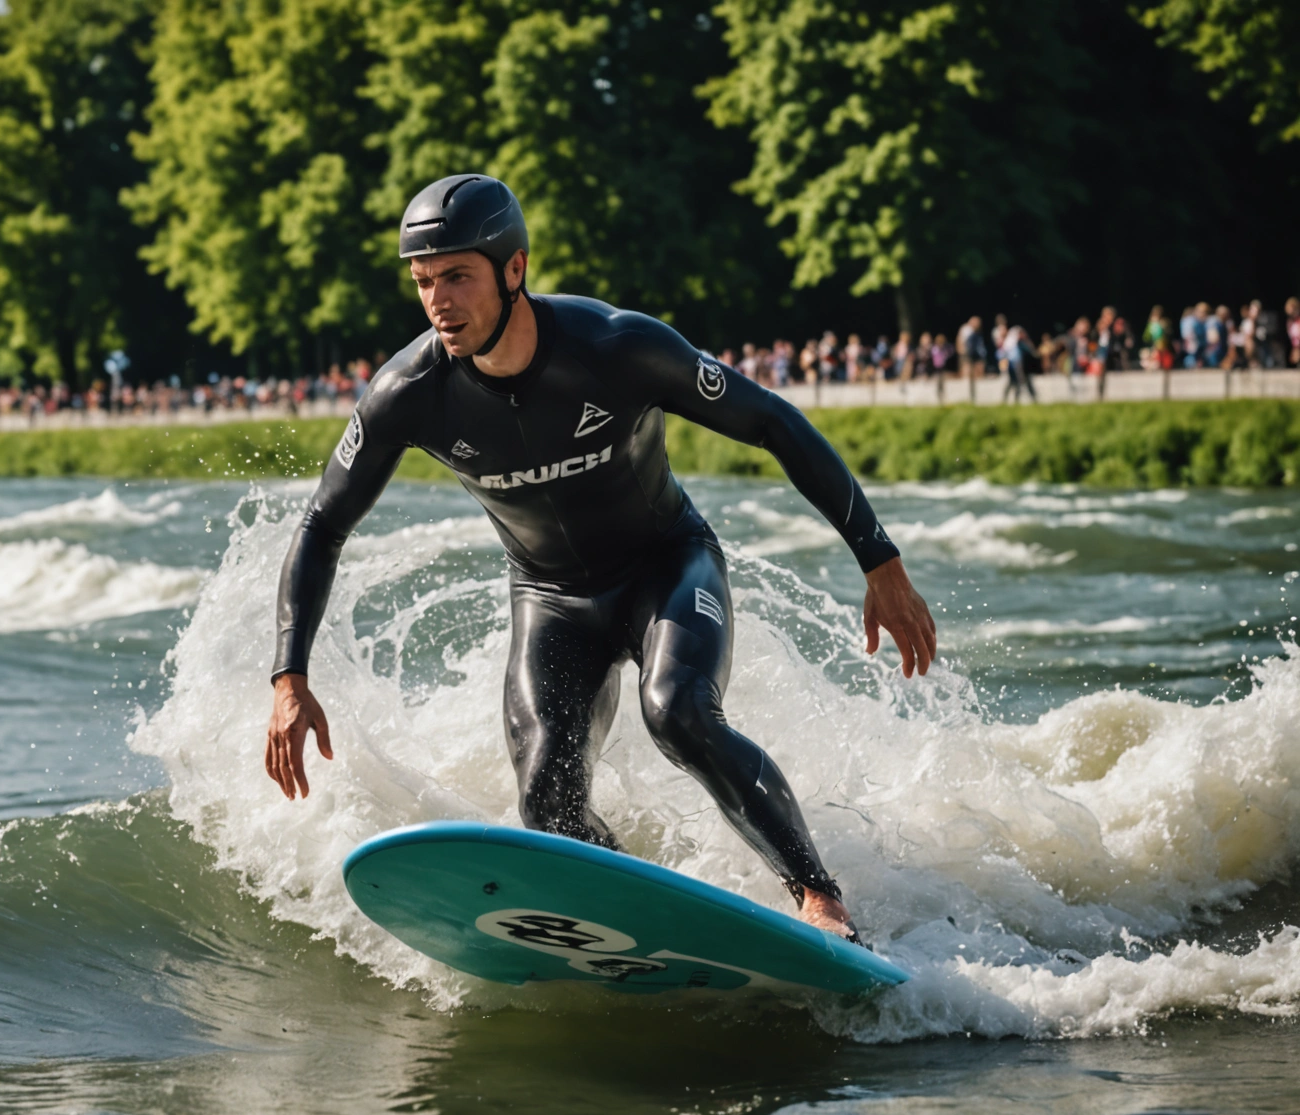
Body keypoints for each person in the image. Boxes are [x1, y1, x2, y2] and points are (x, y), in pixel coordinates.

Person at [264, 175, 937, 943]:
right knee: (545, 796)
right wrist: (290, 679)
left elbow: (772, 421)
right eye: (423, 282)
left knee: (678, 713)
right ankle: (634, 918)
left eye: (458, 276)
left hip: (667, 568)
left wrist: (879, 560)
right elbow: (322, 523)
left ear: (513, 269)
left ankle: (821, 898)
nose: (438, 302)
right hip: (551, 599)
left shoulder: (616, 348)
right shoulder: (408, 393)